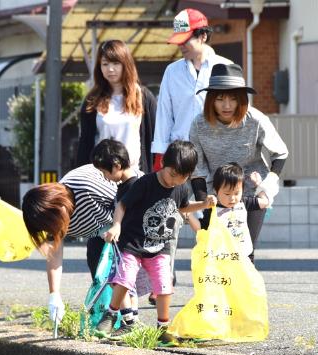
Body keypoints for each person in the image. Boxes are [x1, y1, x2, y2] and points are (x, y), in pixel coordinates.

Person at [96, 140, 216, 344]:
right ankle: (110, 314)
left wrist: (204, 204)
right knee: (125, 278)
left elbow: (183, 208)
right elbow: (122, 206)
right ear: (162, 164)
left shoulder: (180, 188)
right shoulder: (144, 183)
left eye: (182, 178)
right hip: (132, 243)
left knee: (164, 284)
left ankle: (162, 327)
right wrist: (116, 226)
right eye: (172, 175)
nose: (174, 181)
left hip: (160, 246)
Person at [190, 63, 289, 262]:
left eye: (233, 99)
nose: (226, 106)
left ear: (241, 99)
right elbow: (197, 169)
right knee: (217, 254)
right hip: (214, 196)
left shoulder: (255, 119)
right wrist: (205, 204)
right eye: (220, 99)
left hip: (248, 193)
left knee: (244, 252)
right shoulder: (199, 124)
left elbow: (280, 153)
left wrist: (267, 185)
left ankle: (246, 293)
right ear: (211, 100)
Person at [22, 164, 117, 324]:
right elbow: (55, 254)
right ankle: (110, 319)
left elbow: (127, 197)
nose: (52, 230)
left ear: (59, 208)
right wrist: (54, 295)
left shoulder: (88, 189)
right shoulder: (53, 214)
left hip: (125, 225)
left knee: (122, 275)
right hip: (99, 233)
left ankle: (129, 319)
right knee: (98, 271)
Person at [151, 8, 232, 171]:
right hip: (179, 157)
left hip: (217, 156)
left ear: (203, 36)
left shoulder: (227, 68)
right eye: (178, 41)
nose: (181, 46)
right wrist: (160, 156)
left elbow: (238, 114)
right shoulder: (171, 72)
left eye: (185, 40)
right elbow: (164, 115)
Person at [77, 39, 157, 172]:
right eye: (105, 64)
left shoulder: (143, 97)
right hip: (100, 177)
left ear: (126, 64)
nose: (110, 69)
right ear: (99, 67)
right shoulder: (92, 100)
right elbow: (85, 144)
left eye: (116, 63)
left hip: (135, 176)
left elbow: (154, 139)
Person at [90, 139, 142, 333]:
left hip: (128, 244)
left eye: (104, 172)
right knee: (124, 283)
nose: (104, 177)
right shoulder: (128, 185)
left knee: (118, 281)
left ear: (116, 166)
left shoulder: (132, 187)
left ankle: (129, 323)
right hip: (128, 244)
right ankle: (130, 322)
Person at [202, 163, 271, 259]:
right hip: (221, 258)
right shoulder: (212, 209)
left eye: (237, 193)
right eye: (227, 194)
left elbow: (265, 202)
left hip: (244, 257)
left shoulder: (244, 202)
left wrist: (258, 185)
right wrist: (189, 216)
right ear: (215, 190)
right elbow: (201, 230)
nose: (232, 198)